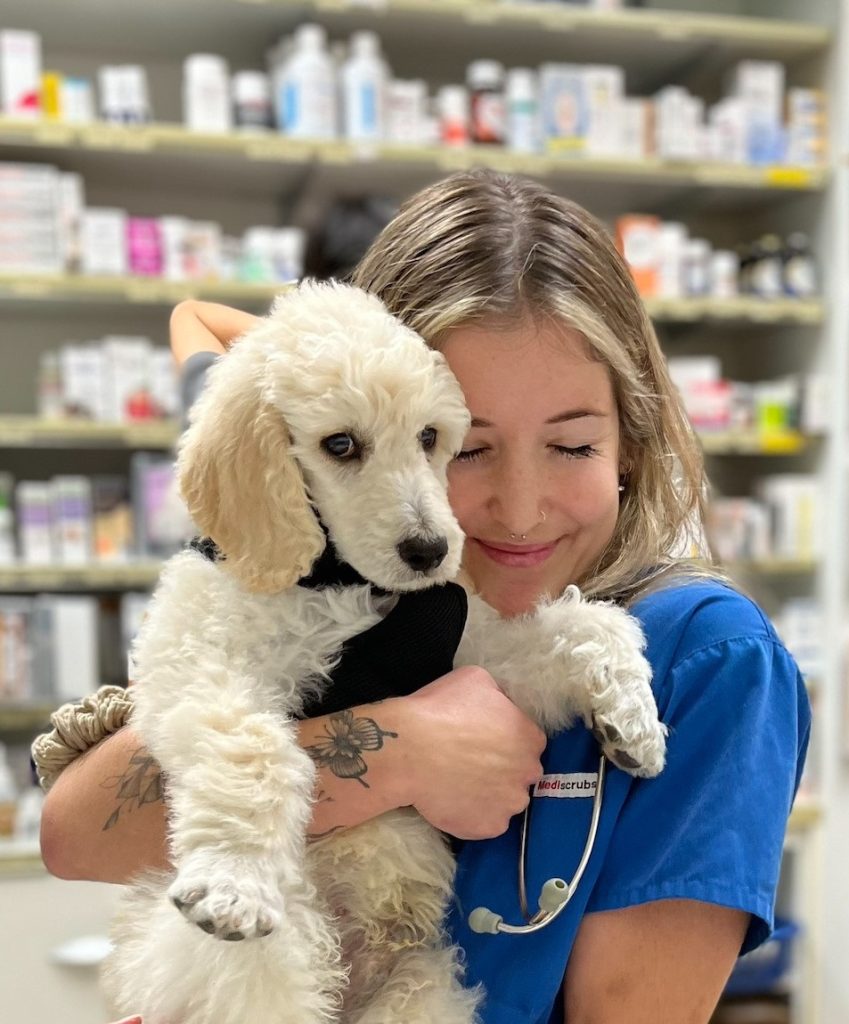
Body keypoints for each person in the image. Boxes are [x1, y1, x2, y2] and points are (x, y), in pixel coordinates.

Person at [39, 170, 810, 1024]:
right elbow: (75, 829)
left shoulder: (703, 655)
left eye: (572, 444)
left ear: (630, 441)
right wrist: (403, 752)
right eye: (466, 450)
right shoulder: (355, 601)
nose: (518, 510)